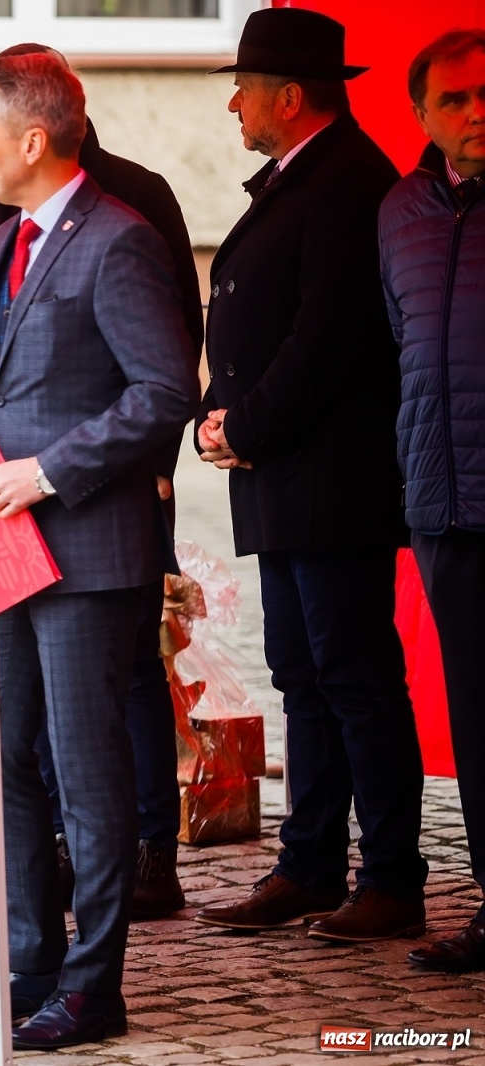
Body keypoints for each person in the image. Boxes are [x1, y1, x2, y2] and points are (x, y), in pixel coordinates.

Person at [0, 53, 198, 1049]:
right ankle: (25, 963)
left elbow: (164, 390)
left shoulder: (116, 241)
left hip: (87, 552)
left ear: (31, 141)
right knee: (2, 759)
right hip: (4, 546)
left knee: (86, 774)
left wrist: (46, 473)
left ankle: (93, 985)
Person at [192, 7, 429, 945]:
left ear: (290, 98)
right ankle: (310, 862)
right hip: (287, 479)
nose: (235, 108)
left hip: (332, 482)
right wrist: (223, 415)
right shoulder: (306, 174)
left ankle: (394, 876)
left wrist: (241, 422)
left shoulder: (348, 180)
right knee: (303, 676)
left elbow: (329, 338)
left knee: (355, 677)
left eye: (244, 90)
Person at [380, 28, 485, 973]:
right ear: (423, 115)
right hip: (445, 505)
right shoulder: (401, 212)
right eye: (452, 99)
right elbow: (396, 355)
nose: (475, 111)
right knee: (478, 712)